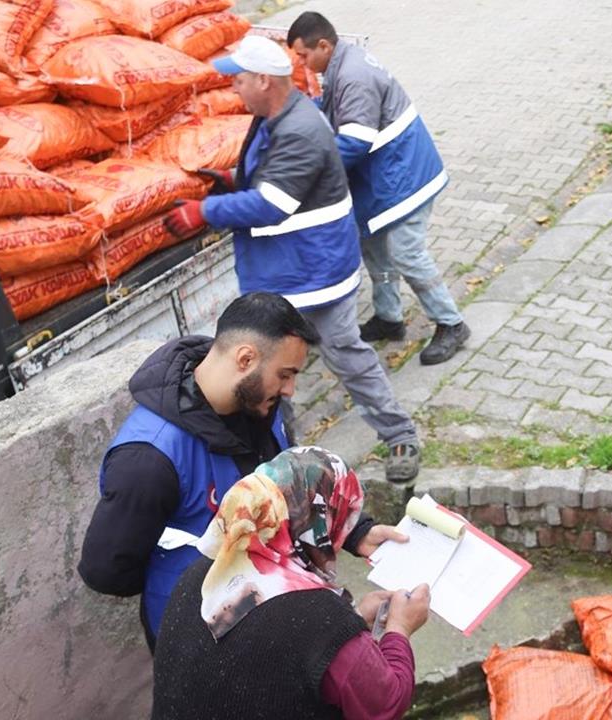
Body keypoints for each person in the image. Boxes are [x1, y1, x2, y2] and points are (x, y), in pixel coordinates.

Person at [78, 292, 407, 649]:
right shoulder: (149, 460)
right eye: (285, 375)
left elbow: (290, 482)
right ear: (245, 358)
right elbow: (107, 570)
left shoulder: (259, 404)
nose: (291, 390)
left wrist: (355, 532)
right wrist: (186, 576)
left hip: (270, 614)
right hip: (202, 644)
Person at [164, 35, 422, 483]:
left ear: (264, 80)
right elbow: (274, 172)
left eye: (239, 80)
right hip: (288, 270)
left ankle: (398, 435)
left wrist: (202, 211)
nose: (234, 88)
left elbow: (273, 203)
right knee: (271, 373)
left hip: (315, 273)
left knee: (345, 355)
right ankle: (286, 460)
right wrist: (232, 176)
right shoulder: (273, 115)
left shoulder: (299, 127)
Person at [152, 446, 429, 720]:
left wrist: (352, 621)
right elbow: (385, 703)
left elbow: (268, 650)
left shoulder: (203, 572)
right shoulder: (321, 618)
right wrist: (399, 628)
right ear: (322, 522)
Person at [287, 12, 472, 366]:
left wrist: (311, 173)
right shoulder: (340, 65)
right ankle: (389, 317)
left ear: (323, 45)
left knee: (407, 253)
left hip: (406, 178)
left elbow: (354, 142)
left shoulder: (353, 76)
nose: (300, 63)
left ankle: (451, 323)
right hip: (388, 176)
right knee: (372, 245)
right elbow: (330, 112)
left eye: (303, 55)